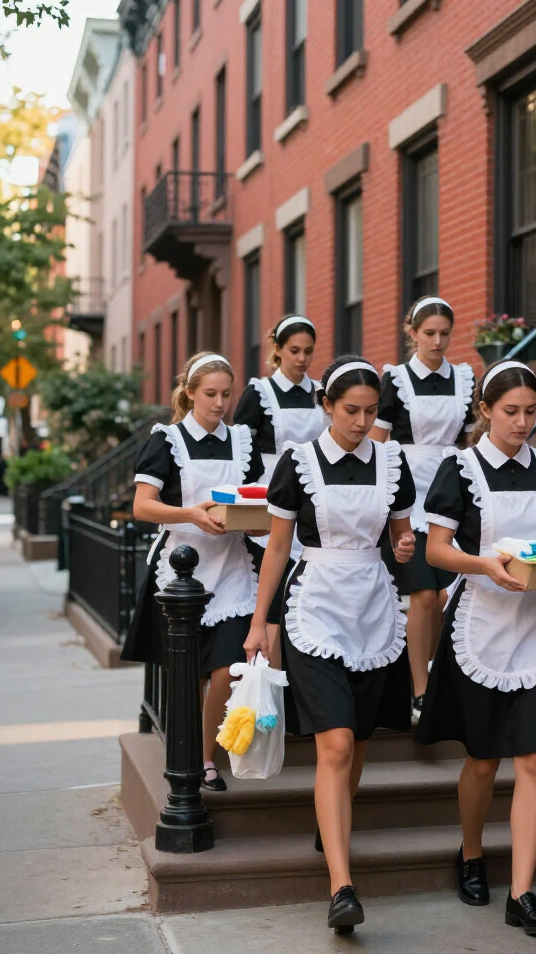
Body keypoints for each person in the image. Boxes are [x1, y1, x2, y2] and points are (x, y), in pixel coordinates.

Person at [416, 360, 536, 938]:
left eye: (530, 411)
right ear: (486, 412)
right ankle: (471, 852)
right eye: (511, 411)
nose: (523, 422)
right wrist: (483, 565)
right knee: (483, 759)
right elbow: (437, 550)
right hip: (482, 628)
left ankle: (521, 892)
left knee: (535, 761)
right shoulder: (460, 469)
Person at [245, 356, 417, 934]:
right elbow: (275, 547)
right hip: (315, 605)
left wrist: (405, 543)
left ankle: (332, 819)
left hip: (373, 604)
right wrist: (258, 620)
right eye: (351, 411)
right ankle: (342, 887)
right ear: (327, 406)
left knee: (359, 741)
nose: (363, 421)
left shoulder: (393, 462)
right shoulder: (297, 463)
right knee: (336, 744)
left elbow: (399, 530)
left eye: (371, 412)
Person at [122, 352, 264, 792]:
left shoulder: (242, 440)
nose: (219, 403)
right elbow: (142, 505)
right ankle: (184, 754)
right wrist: (191, 514)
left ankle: (205, 758)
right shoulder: (167, 439)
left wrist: (252, 519)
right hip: (181, 570)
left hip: (233, 567)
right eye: (210, 394)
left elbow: (256, 502)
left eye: (226, 394)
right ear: (189, 392)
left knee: (228, 669)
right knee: (189, 673)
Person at [370, 297, 475, 721]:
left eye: (444, 333)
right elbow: (377, 443)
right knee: (424, 594)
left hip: (450, 493)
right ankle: (420, 690)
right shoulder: (394, 380)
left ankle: (442, 680)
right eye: (428, 333)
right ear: (411, 333)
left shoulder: (466, 379)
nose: (437, 341)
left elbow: (470, 444)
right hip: (407, 492)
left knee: (452, 595)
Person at [232, 315, 326, 665]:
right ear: (277, 349)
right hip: (271, 493)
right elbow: (241, 448)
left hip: (314, 493)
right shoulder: (260, 392)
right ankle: (271, 688)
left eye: (308, 351)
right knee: (273, 596)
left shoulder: (321, 392)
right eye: (294, 350)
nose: (302, 358)